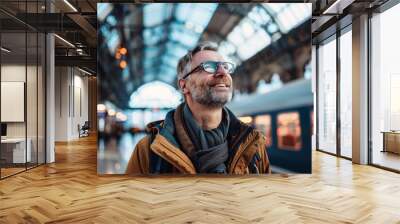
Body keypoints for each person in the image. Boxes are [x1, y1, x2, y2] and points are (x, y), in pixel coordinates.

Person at [126, 42, 270, 174]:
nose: (222, 72)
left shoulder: (253, 144)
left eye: (225, 67)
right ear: (184, 85)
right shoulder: (149, 150)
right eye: (209, 66)